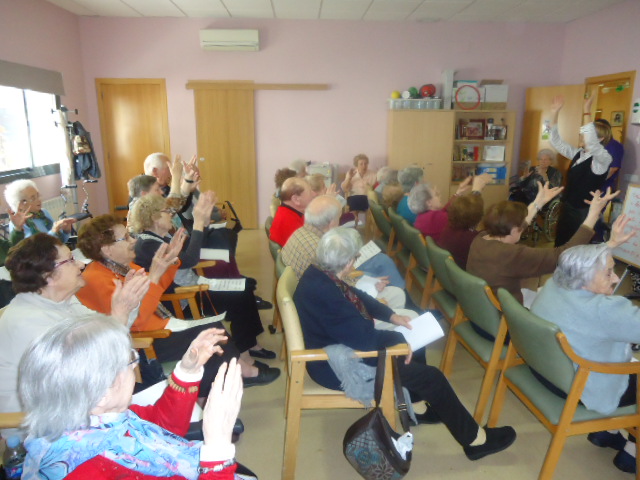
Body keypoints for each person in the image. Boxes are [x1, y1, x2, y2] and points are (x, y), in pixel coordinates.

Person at [294, 227, 516, 460]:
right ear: (348, 262)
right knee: (433, 377)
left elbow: (359, 298)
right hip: (340, 366)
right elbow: (366, 341)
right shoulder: (327, 294)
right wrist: (400, 340)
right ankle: (475, 441)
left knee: (413, 338)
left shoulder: (320, 275)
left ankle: (417, 409)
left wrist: (392, 316)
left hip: (342, 348)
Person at [18, 315, 246, 479]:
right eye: (129, 361)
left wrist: (188, 371)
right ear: (101, 392)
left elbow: (164, 425)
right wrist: (217, 448)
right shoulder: (90, 470)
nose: (134, 366)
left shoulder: (100, 422)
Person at [76, 212, 279, 389]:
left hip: (158, 324)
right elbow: (135, 321)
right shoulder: (97, 279)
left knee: (214, 330)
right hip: (146, 339)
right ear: (107, 249)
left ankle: (238, 371)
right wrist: (154, 276)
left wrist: (168, 264)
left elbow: (156, 290)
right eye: (126, 238)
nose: (133, 241)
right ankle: (242, 372)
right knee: (212, 333)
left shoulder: (121, 266)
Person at [0, 233, 148, 437]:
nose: (80, 264)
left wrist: (127, 304)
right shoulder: (27, 322)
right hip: (45, 432)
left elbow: (108, 334)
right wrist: (120, 312)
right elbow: (93, 366)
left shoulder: (63, 303)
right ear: (48, 276)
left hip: (86, 405)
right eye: (70, 260)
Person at [129, 194, 277, 365]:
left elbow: (191, 248)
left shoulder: (161, 236)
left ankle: (251, 344)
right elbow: (190, 260)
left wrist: (203, 222)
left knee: (245, 288)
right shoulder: (148, 245)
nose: (170, 214)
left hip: (192, 287)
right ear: (154, 217)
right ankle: (244, 355)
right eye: (166, 211)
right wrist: (198, 224)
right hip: (182, 299)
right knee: (239, 296)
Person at [530, 241, 638, 474]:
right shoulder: (605, 310)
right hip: (580, 389)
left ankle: (606, 432)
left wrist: (610, 244)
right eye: (608, 272)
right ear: (585, 277)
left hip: (548, 375)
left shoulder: (552, 286)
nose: (616, 278)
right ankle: (632, 454)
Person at [467, 185, 627, 306]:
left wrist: (538, 202)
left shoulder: (480, 239)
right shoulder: (512, 255)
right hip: (506, 323)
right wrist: (593, 215)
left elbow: (515, 226)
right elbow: (565, 255)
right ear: (515, 229)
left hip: (481, 312)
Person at [281, 195, 407, 305]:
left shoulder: (302, 232)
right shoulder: (320, 250)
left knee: (380, 261)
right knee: (392, 289)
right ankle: (404, 303)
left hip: (327, 286)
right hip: (338, 296)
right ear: (331, 223)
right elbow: (340, 284)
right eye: (339, 218)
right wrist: (371, 283)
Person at [549, 94, 612, 246]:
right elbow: (555, 141)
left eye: (585, 134)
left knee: (576, 248)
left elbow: (591, 143)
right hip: (568, 206)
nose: (581, 135)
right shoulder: (579, 153)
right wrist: (554, 113)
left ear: (600, 139)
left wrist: (587, 110)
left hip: (583, 211)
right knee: (561, 243)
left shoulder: (603, 159)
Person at [408, 174, 492, 242]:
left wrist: (458, 193)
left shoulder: (424, 216)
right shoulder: (434, 218)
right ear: (429, 202)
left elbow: (445, 211)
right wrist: (476, 191)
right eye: (436, 195)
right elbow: (467, 217)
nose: (440, 196)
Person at [3, 179, 75, 242]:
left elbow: (61, 241)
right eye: (33, 198)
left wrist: (66, 231)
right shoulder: (18, 224)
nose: (39, 200)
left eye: (38, 195)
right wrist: (53, 231)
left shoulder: (44, 213)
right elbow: (35, 248)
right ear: (21, 204)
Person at [437, 192, 484, 269]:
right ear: (477, 219)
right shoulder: (472, 239)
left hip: (444, 270)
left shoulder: (447, 228)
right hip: (460, 272)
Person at [270, 177, 314, 247]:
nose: (313, 194)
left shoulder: (288, 212)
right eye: (310, 192)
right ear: (296, 199)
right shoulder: (289, 222)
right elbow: (308, 247)